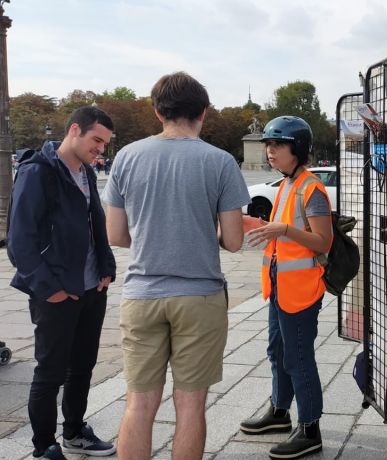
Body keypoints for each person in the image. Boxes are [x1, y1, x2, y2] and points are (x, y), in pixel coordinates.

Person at [102, 71, 250, 460]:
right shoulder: (219, 162)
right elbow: (234, 241)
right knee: (190, 405)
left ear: (157, 111)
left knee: (139, 404)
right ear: (203, 111)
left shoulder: (127, 157)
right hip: (199, 297)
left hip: (142, 295)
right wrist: (202, 233)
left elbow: (115, 235)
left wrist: (156, 237)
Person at [8, 106, 117, 460]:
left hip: (90, 288)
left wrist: (106, 266)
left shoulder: (85, 170)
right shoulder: (37, 172)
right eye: (96, 140)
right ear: (75, 130)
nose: (101, 149)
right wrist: (47, 288)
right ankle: (44, 446)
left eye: (105, 143)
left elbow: (95, 222)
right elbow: (20, 240)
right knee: (50, 371)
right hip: (56, 292)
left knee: (83, 365)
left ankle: (74, 431)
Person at [240, 116, 333, 459]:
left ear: (297, 148)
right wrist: (261, 225)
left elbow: (322, 242)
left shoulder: (312, 188)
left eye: (277, 145)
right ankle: (279, 413)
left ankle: (310, 428)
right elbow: (283, 231)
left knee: (298, 358)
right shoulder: (287, 185)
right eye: (267, 144)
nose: (269, 151)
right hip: (280, 286)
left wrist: (282, 230)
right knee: (277, 353)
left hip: (302, 290)